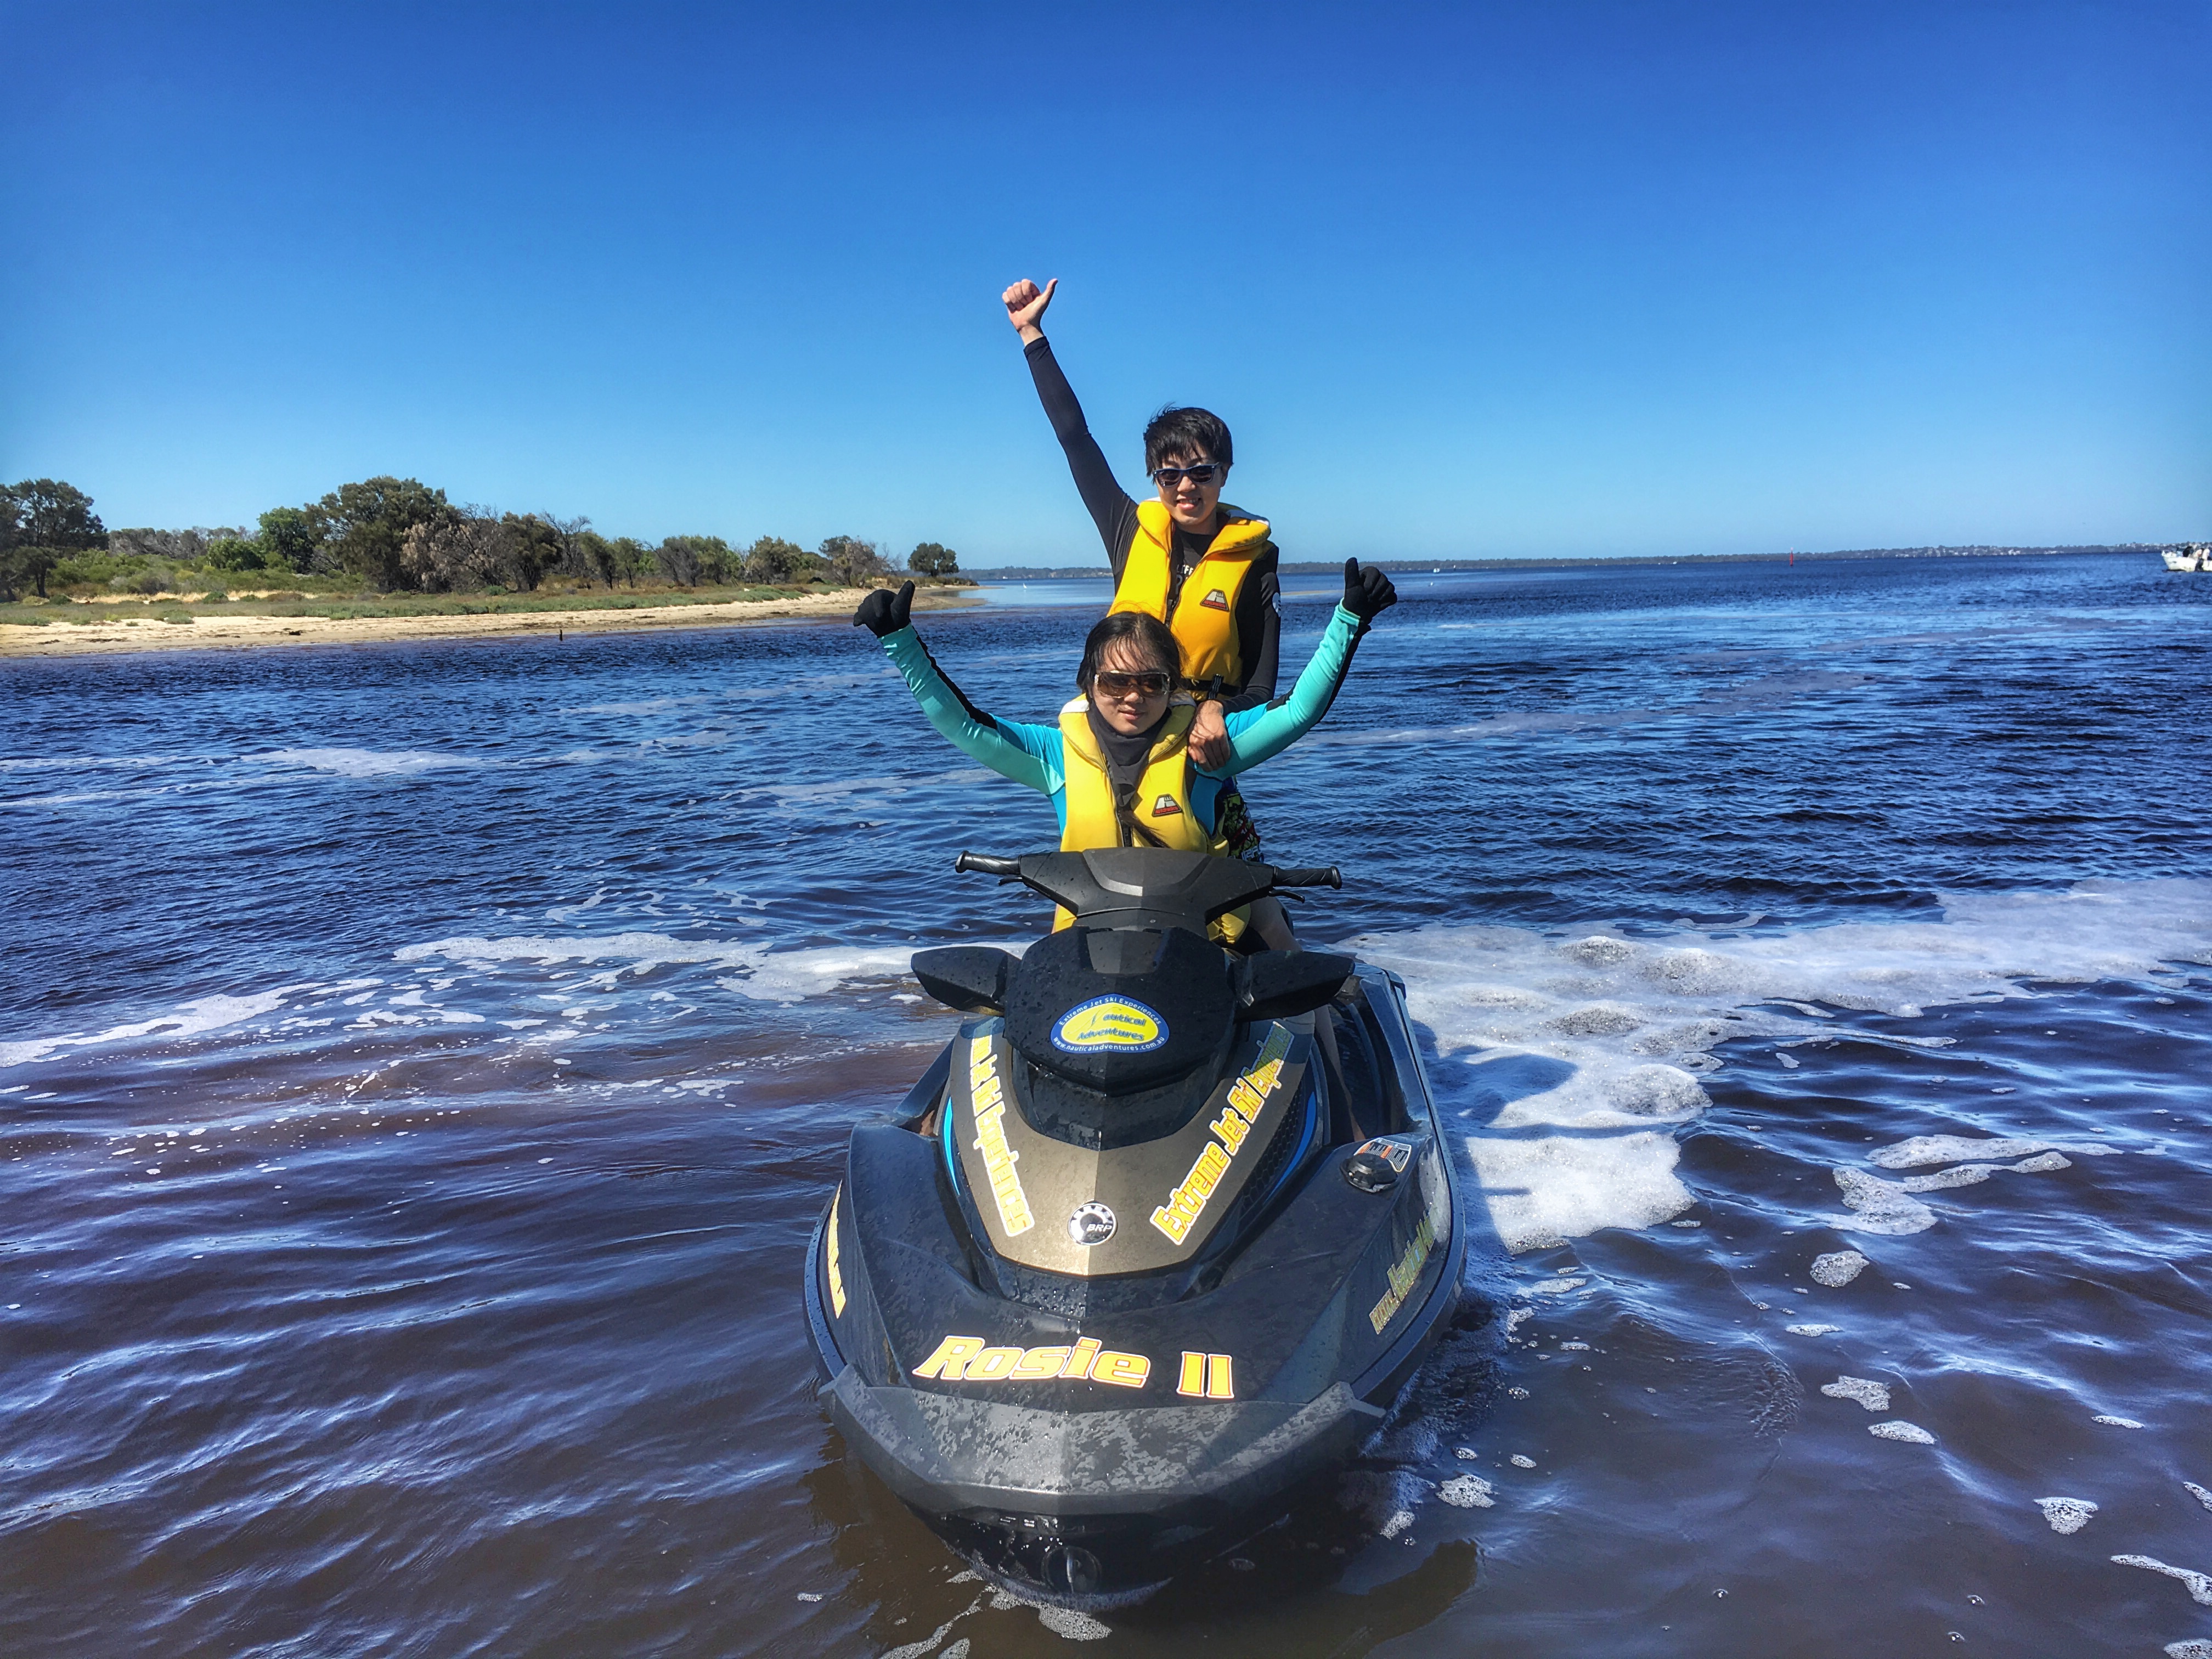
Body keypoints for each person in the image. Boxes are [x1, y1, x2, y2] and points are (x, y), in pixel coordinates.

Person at [853, 562, 1397, 941]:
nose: (1133, 697)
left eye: (1152, 684)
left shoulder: (1205, 749)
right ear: (1087, 681)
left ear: (1172, 687)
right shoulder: (1055, 755)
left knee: (1291, 978)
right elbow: (965, 726)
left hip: (1203, 944)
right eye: (1115, 683)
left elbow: (1299, 710)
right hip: (1087, 942)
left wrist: (1349, 619)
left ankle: (1342, 1088)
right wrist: (899, 641)